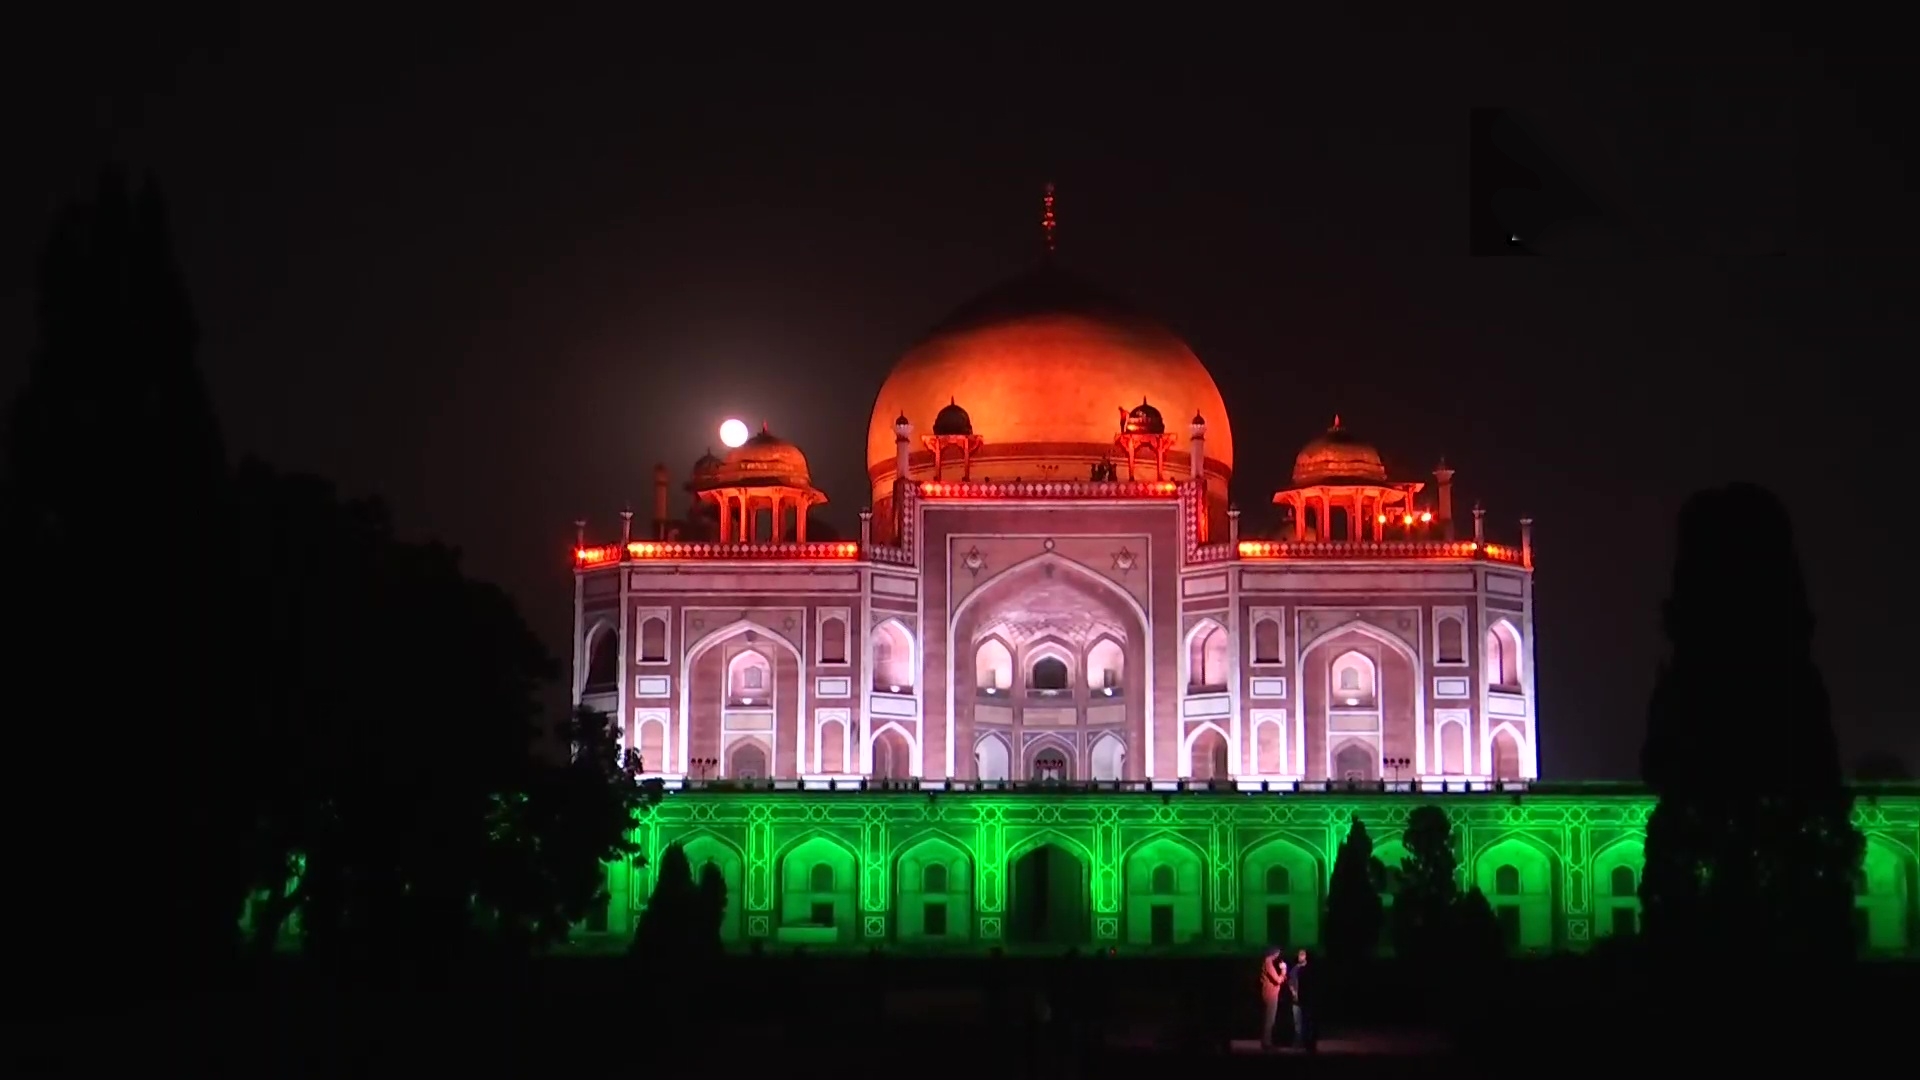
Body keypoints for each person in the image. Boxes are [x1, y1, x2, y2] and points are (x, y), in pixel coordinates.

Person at [1258, 947, 1287, 1050]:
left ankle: (1266, 1042)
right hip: (1271, 994)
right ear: (1274, 953)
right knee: (1269, 1020)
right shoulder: (1268, 962)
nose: (1278, 955)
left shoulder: (1267, 962)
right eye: (1278, 953)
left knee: (1269, 1019)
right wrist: (1284, 970)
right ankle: (1266, 1043)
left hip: (1269, 993)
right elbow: (1278, 980)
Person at [1288, 947, 1314, 1051]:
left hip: (1306, 999)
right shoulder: (1295, 968)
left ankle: (1307, 1042)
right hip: (1295, 999)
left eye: (1303, 955)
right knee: (1297, 1022)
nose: (1300, 957)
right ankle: (1298, 1043)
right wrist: (1293, 991)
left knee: (1306, 1021)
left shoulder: (1309, 969)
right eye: (1299, 955)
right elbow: (1290, 981)